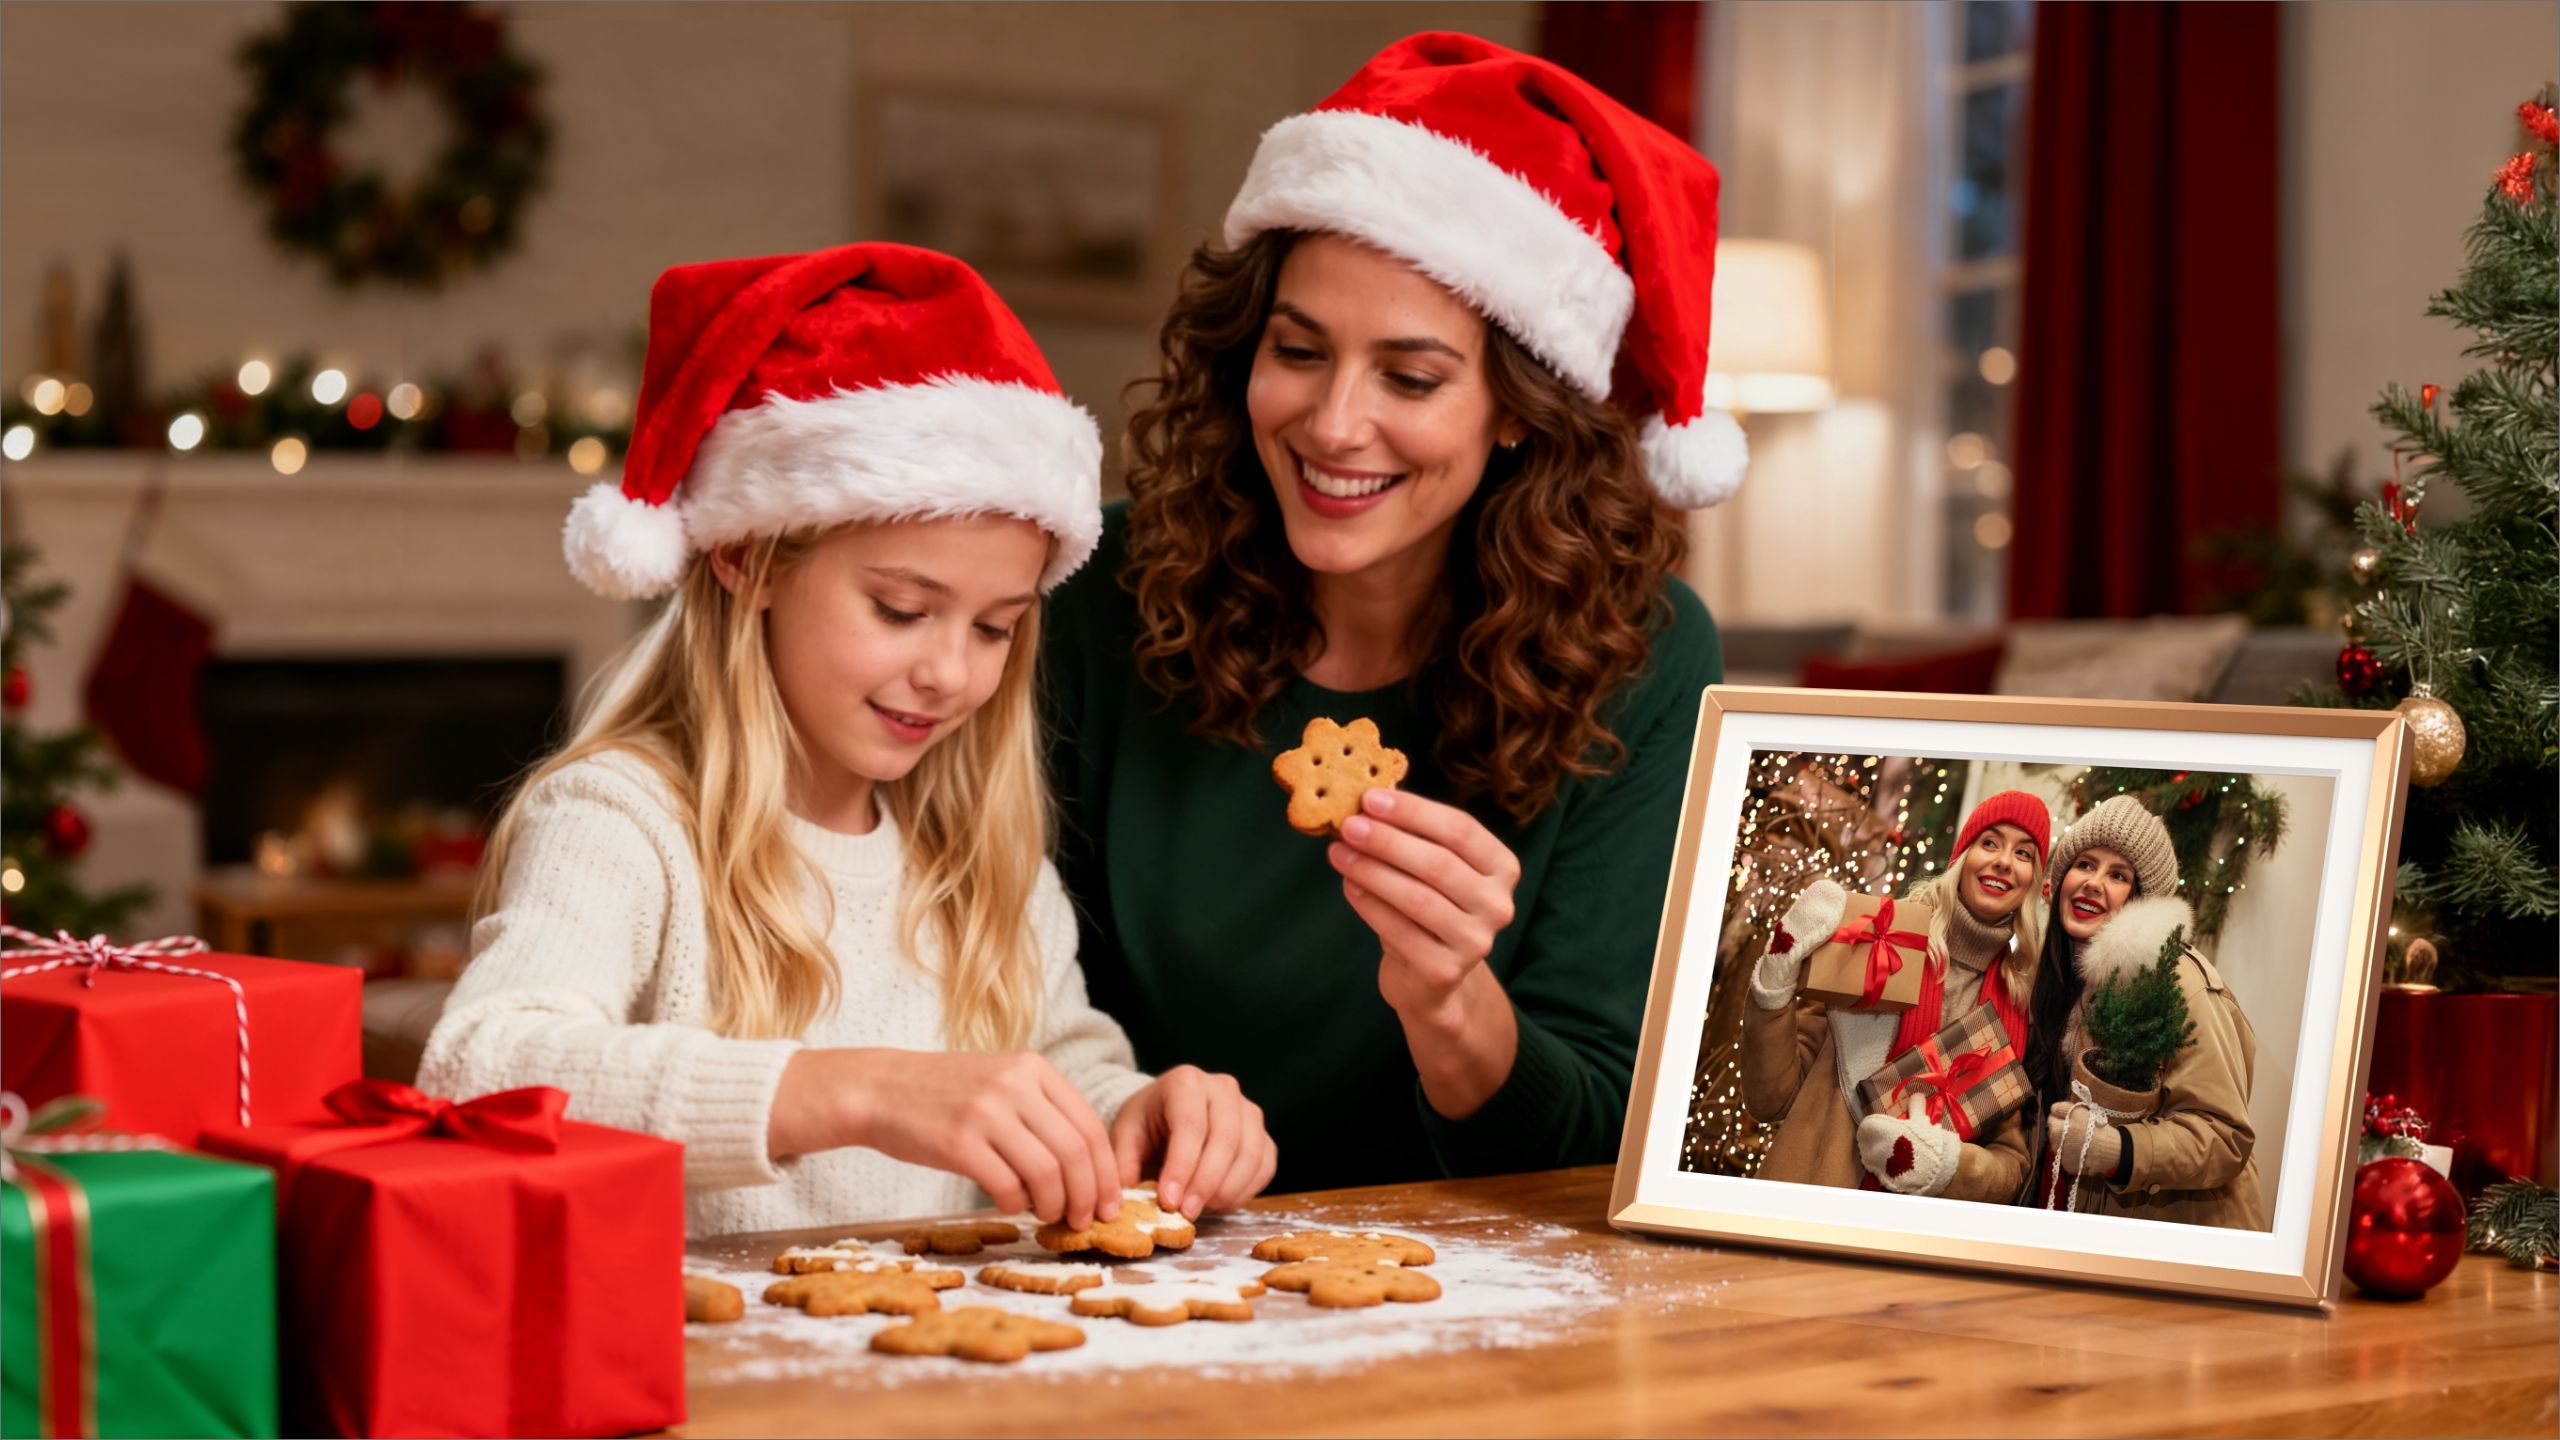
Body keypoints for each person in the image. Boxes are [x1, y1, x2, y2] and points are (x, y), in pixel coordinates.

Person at [421, 243, 1273, 1237]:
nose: (950, 672)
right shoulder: (622, 820)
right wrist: (855, 1092)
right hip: (705, 1378)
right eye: (902, 609)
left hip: (927, 1372)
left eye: (994, 627)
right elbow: (484, 1072)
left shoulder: (974, 855)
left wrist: (1139, 1113)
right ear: (747, 558)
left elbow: (1053, 1067)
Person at [1043, 33, 1747, 1191]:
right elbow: (1002, 982)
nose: (1331, 423)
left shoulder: (1644, 654)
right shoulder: (1099, 589)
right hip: (1128, 1239)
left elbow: (1592, 1136)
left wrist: (1448, 1004)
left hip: (1462, 1271)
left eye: (1410, 378)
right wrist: (1127, 1106)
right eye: (1298, 351)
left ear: (1517, 407)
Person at [1742, 792, 2051, 1200]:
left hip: (1909, 1240)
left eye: (2024, 853)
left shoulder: (2019, 1002)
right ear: (1962, 855)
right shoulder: (1881, 943)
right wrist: (1775, 984)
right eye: (1990, 843)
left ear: (2033, 880)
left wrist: (1947, 1164)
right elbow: (1771, 1099)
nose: (2004, 862)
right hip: (1809, 1205)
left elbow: (2010, 1164)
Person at [2024, 794, 2266, 1227]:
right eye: (2084, 864)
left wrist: (2118, 1150)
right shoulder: (2061, 981)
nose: (2094, 883)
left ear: (2141, 899)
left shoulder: (2181, 982)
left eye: (2118, 874)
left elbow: (2225, 1136)